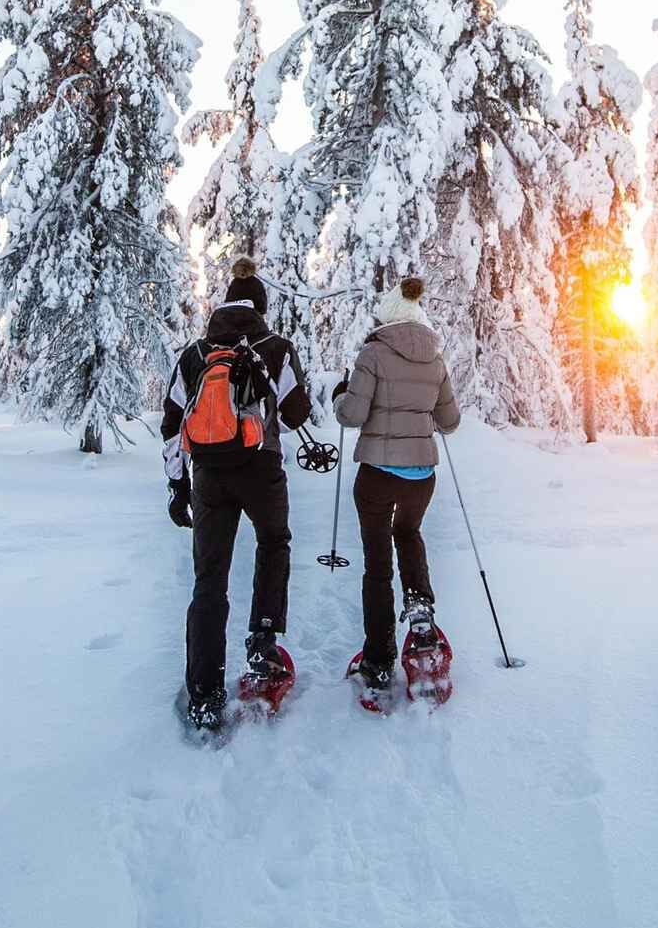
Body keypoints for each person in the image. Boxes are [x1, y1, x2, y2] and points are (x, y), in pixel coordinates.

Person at [160, 259, 315, 730]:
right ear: (261, 309)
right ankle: (263, 645)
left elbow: (171, 423)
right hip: (262, 469)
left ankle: (204, 693)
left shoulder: (194, 352)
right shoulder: (276, 347)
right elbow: (294, 414)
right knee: (273, 544)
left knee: (210, 580)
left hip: (209, 475)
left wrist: (177, 485)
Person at [332, 275, 461, 694]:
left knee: (377, 564)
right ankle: (421, 616)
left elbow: (351, 415)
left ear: (386, 316)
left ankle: (379, 658)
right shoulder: (436, 359)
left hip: (376, 477)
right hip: (421, 477)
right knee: (408, 534)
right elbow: (450, 422)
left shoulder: (373, 353)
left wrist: (340, 396)